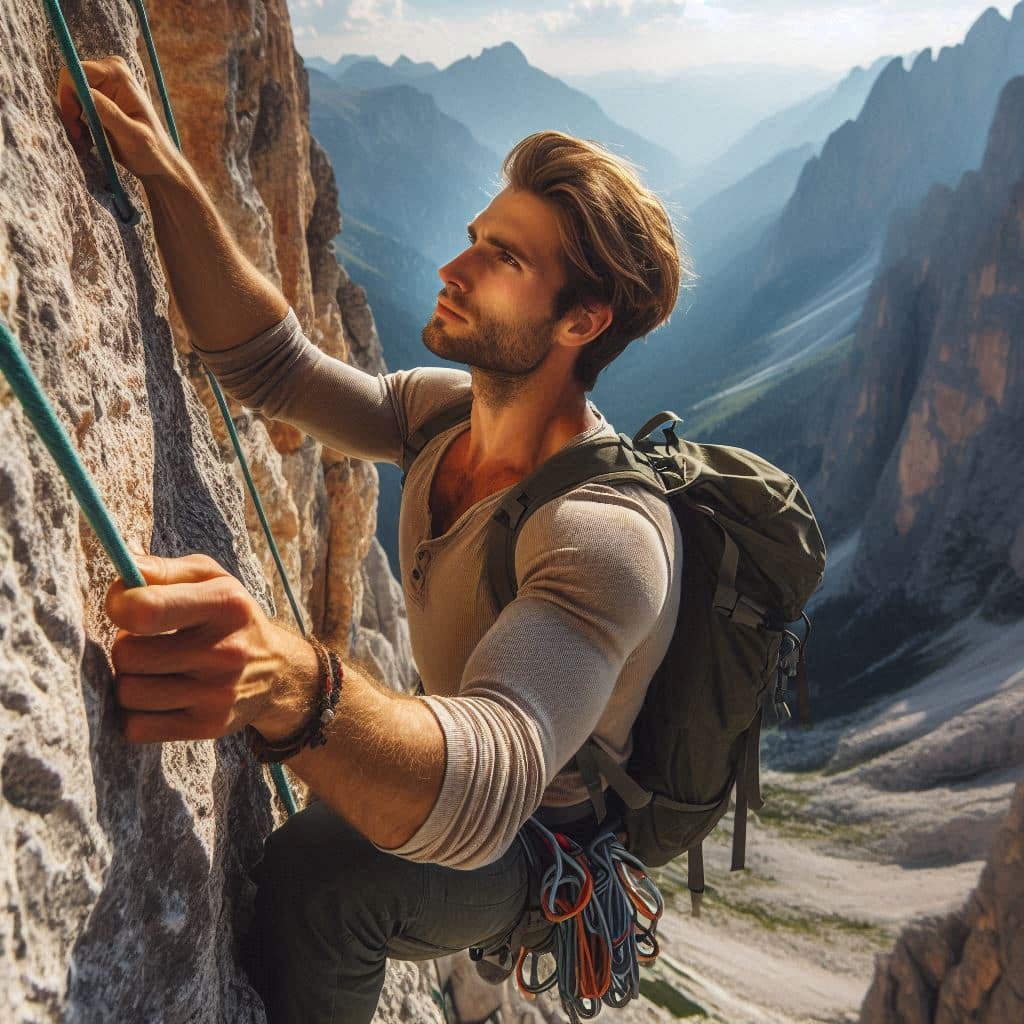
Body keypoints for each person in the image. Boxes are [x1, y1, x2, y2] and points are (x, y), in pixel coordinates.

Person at [57, 56, 686, 1022]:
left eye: (504, 259)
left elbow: (493, 783)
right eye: (477, 237)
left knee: (325, 876)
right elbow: (277, 367)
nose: (453, 267)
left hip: (537, 843)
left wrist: (288, 681)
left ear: (583, 322)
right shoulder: (446, 416)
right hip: (470, 768)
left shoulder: (605, 535)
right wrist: (166, 173)